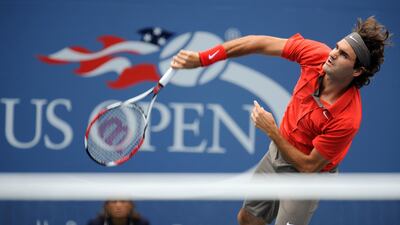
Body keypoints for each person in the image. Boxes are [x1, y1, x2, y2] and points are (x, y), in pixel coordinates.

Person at [170, 16, 391, 225]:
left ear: (357, 71)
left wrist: (271, 131)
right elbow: (257, 43)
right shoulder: (316, 55)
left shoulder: (347, 118)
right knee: (247, 218)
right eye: (337, 47)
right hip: (278, 152)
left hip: (308, 178)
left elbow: (308, 166)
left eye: (344, 55)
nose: (333, 54)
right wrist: (203, 58)